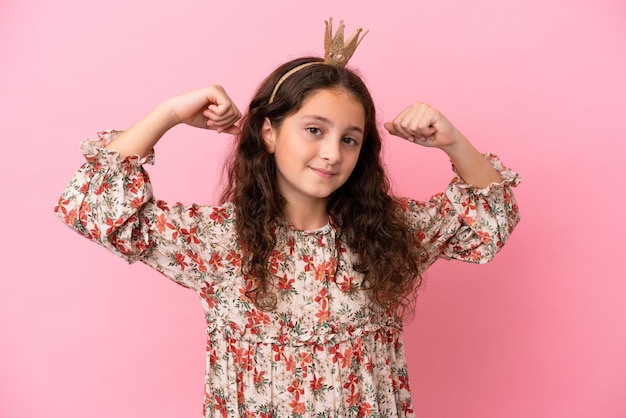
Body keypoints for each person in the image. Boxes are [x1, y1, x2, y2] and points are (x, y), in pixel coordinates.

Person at [54, 20, 520, 418]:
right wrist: (171, 112)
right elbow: (91, 206)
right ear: (269, 131)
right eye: (314, 130)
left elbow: (490, 221)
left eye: (350, 139)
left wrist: (453, 141)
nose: (332, 154)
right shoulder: (217, 239)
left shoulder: (388, 232)